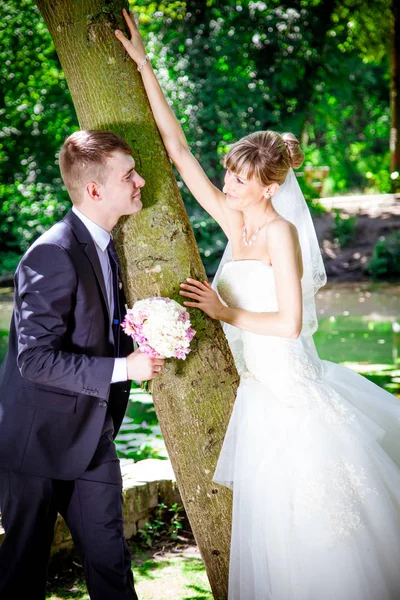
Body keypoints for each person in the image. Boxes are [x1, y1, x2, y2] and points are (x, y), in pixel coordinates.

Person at [115, 10, 400, 600]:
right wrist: (145, 65)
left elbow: (291, 323)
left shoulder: (279, 236)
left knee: (318, 533)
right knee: (274, 534)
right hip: (259, 396)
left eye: (241, 179)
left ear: (270, 187)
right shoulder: (232, 220)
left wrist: (225, 313)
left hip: (293, 398)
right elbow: (177, 148)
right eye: (229, 174)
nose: (229, 185)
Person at [0, 129, 165, 600]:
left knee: (111, 564)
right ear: (94, 190)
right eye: (129, 174)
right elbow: (34, 359)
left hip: (92, 438)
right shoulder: (51, 252)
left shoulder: (107, 246)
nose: (141, 182)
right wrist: (124, 369)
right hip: (33, 447)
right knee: (22, 573)